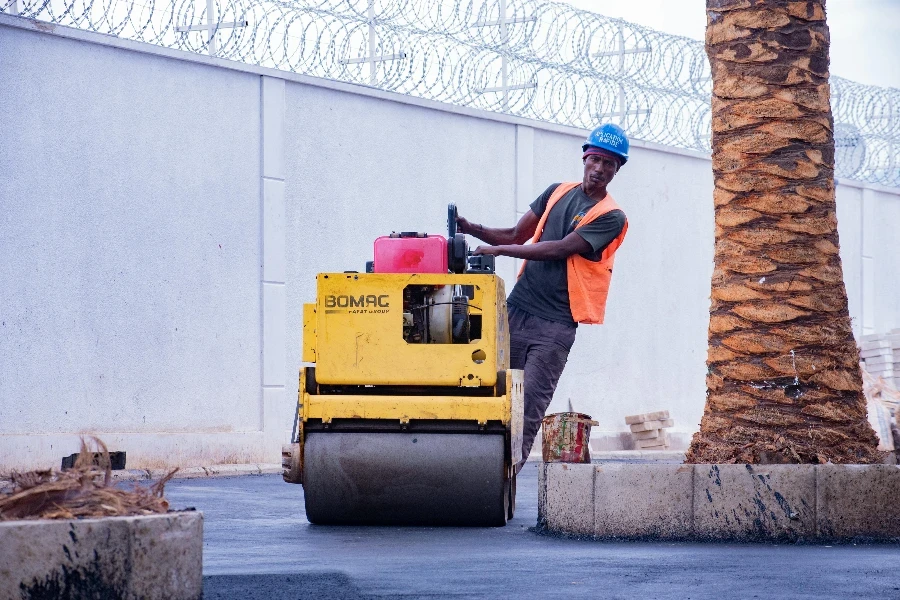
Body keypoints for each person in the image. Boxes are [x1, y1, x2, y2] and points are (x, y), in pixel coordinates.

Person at [456, 123, 630, 470]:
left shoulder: (611, 216)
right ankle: (466, 474)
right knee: (491, 396)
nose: (599, 168)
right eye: (595, 159)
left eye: (609, 164)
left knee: (527, 409)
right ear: (585, 157)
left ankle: (498, 487)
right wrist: (471, 228)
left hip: (555, 326)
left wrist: (500, 251)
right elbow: (519, 234)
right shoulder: (557, 192)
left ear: (617, 169)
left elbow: (562, 248)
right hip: (516, 312)